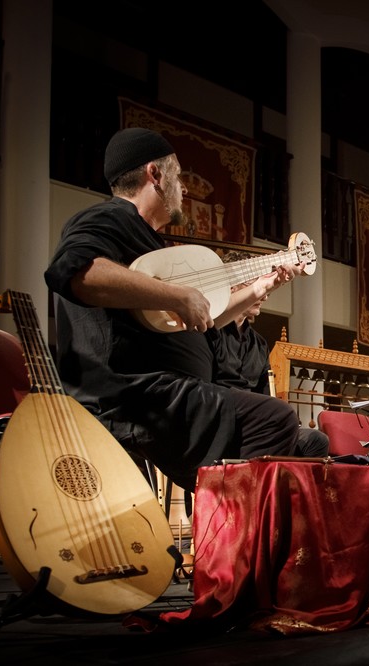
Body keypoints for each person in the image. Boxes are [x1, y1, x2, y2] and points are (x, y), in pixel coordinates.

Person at [45, 127, 306, 490]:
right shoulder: (108, 218)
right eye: (178, 174)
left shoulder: (150, 243)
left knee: (299, 438)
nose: (182, 187)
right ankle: (237, 542)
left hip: (168, 393)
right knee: (274, 420)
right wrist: (176, 296)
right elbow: (75, 271)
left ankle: (233, 533)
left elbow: (207, 316)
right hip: (134, 394)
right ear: (155, 174)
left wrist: (264, 285)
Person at [206, 252, 329, 458]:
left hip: (256, 419)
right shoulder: (209, 328)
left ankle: (282, 490)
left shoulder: (259, 343)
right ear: (231, 286)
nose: (264, 296)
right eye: (253, 284)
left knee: (315, 441)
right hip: (220, 417)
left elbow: (265, 394)